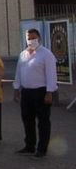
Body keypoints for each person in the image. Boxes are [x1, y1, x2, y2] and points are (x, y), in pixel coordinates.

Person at [13, 28, 58, 158]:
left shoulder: (46, 54)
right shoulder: (23, 54)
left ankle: (42, 149)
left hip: (41, 92)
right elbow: (18, 72)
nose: (31, 41)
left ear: (39, 39)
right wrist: (16, 88)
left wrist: (49, 92)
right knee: (27, 120)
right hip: (26, 92)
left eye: (33, 38)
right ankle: (29, 146)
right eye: (29, 38)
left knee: (43, 121)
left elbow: (51, 75)